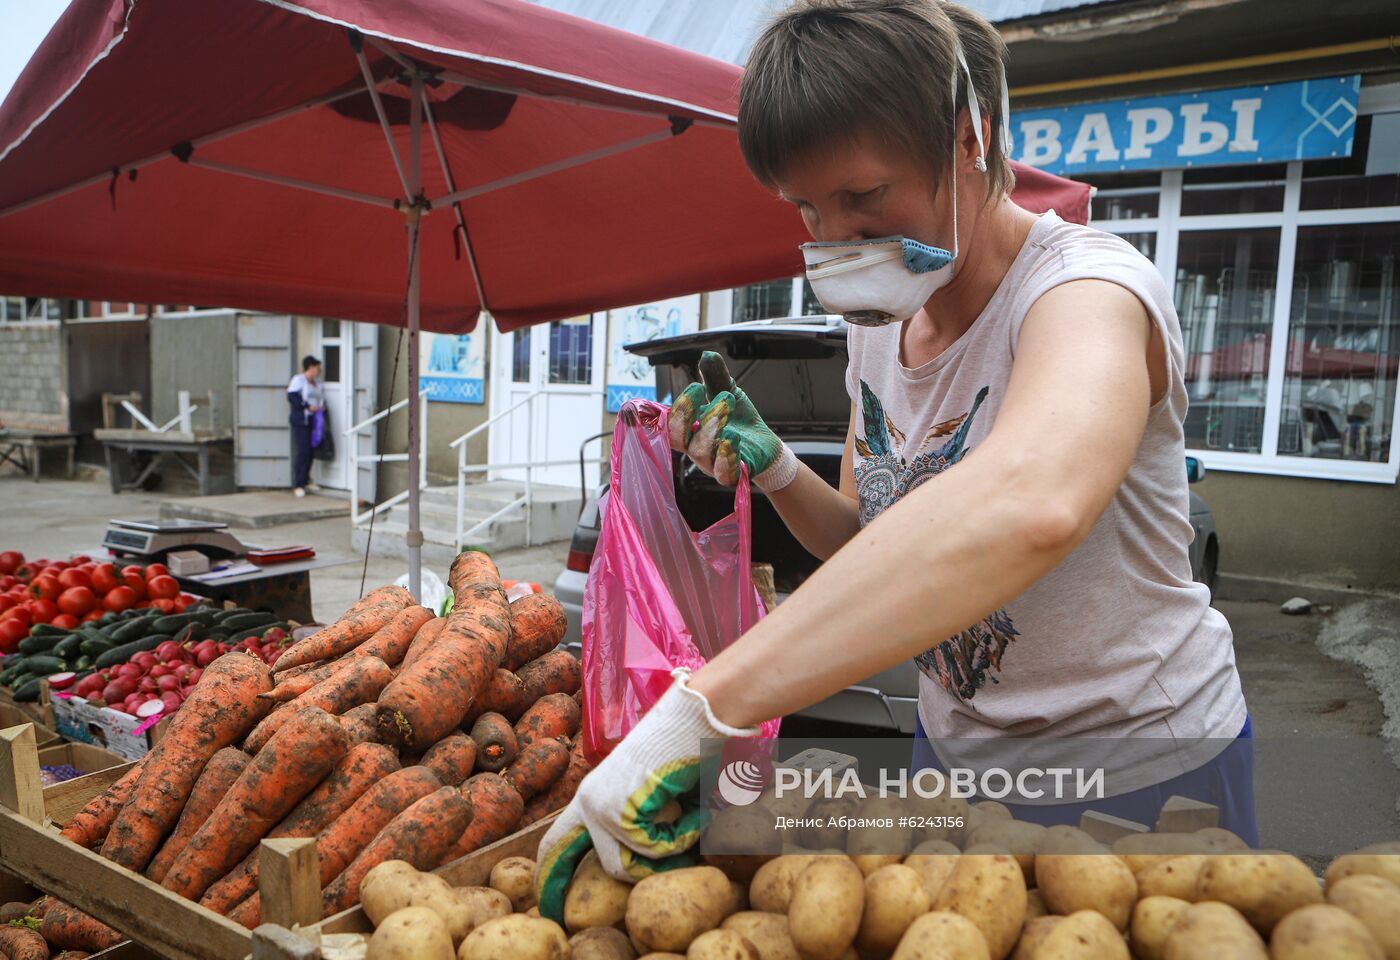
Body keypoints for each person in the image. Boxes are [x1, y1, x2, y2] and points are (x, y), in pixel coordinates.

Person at [536, 0, 1253, 913]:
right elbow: (868, 541)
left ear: (969, 138)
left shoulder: (1089, 293)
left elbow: (1033, 500)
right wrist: (780, 471)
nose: (834, 237)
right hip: (953, 755)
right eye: (805, 205)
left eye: (865, 197)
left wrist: (706, 707)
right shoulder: (885, 327)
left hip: (1132, 764)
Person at [287, 355, 323, 497]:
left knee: (311, 451)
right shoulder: (298, 380)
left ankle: (307, 479)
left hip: (314, 421)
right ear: (311, 367)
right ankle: (298, 483)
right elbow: (292, 398)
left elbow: (319, 398)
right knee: (303, 451)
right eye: (317, 367)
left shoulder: (317, 383)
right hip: (301, 420)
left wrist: (321, 407)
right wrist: (307, 407)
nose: (319, 370)